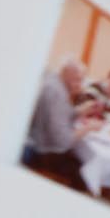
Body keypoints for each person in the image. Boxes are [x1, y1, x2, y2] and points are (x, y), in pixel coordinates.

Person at [24, 61, 95, 190]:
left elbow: (61, 116)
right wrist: (89, 128)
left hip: (37, 141)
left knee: (80, 156)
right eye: (78, 80)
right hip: (41, 152)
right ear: (68, 76)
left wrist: (79, 111)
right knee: (86, 171)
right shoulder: (58, 94)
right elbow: (64, 142)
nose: (81, 85)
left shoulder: (55, 83)